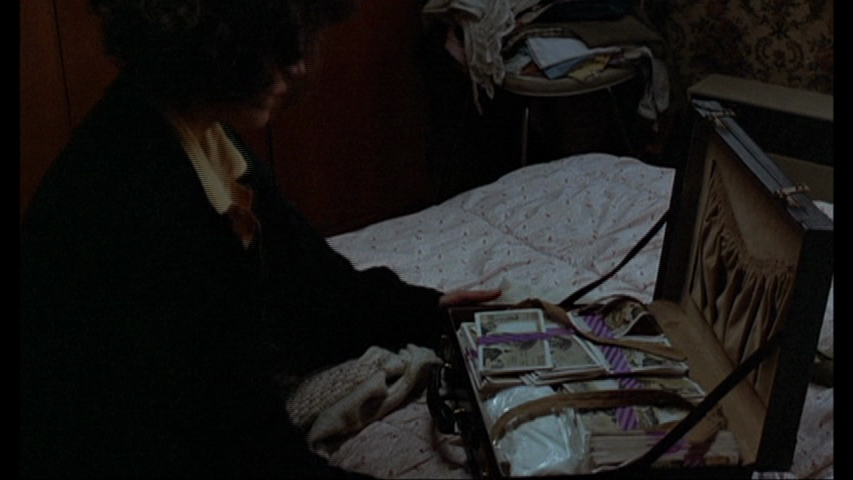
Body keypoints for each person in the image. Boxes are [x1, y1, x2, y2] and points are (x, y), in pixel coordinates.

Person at [19, 0, 500, 477]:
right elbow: (242, 454)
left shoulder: (196, 133)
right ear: (205, 44)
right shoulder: (139, 209)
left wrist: (431, 313)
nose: (299, 66)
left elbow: (310, 286)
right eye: (273, 46)